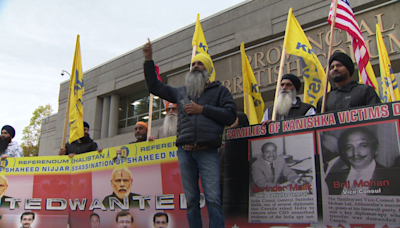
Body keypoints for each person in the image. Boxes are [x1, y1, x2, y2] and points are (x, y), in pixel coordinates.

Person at [143, 41, 236, 228]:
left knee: (213, 200)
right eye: (193, 64)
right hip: (185, 152)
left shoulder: (220, 91)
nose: (195, 67)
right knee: (192, 201)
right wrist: (148, 60)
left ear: (207, 69)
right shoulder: (180, 92)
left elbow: (230, 116)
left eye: (199, 64)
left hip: (208, 152)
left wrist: (203, 109)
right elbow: (154, 86)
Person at [325, 127, 397, 195]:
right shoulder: (332, 178)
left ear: (375, 149)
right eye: (349, 147)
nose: (355, 153)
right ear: (344, 152)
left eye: (363, 145)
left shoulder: (393, 178)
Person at [317, 52, 381, 112]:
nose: (335, 69)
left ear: (348, 68)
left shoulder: (365, 91)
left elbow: (378, 117)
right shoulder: (324, 99)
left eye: (339, 65)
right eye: (332, 67)